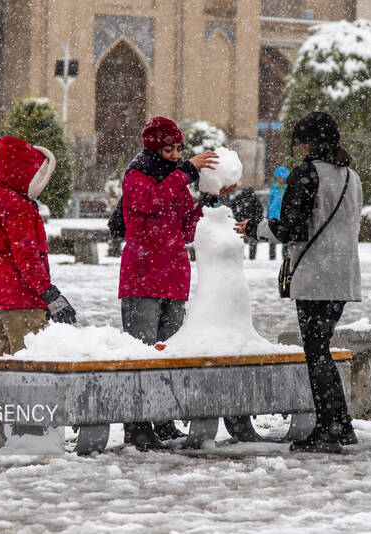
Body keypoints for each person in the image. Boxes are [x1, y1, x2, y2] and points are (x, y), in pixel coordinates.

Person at [235, 111, 362, 454]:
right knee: (321, 347)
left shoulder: (307, 174)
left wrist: (253, 228)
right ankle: (341, 424)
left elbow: (291, 228)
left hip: (316, 275)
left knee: (316, 351)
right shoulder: (351, 176)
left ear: (307, 143)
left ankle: (328, 428)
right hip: (344, 273)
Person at [119, 116, 234, 450]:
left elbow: (186, 228)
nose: (174, 155)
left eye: (178, 149)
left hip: (173, 278)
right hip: (142, 278)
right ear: (154, 149)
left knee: (168, 354)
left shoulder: (176, 183)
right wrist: (185, 170)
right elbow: (152, 201)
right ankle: (137, 425)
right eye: (168, 149)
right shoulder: (136, 178)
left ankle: (163, 420)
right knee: (142, 356)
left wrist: (208, 202)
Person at [0, 135, 77, 447]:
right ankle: (29, 431)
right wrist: (50, 294)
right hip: (19, 294)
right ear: (23, 173)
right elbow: (27, 256)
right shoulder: (18, 206)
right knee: (28, 363)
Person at [230, 187, 264, 260]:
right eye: (245, 201)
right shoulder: (238, 199)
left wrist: (253, 222)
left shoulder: (257, 204)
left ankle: (252, 257)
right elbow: (233, 206)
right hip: (241, 222)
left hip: (251, 224)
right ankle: (240, 255)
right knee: (239, 240)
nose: (246, 203)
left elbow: (260, 215)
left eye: (248, 202)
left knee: (253, 240)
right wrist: (237, 216)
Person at [266, 166, 289, 259]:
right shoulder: (273, 187)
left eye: (283, 178)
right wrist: (268, 212)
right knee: (272, 235)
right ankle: (272, 256)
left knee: (285, 236)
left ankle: (285, 255)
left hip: (284, 215)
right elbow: (270, 201)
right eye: (279, 177)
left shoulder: (287, 187)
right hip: (273, 215)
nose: (281, 179)